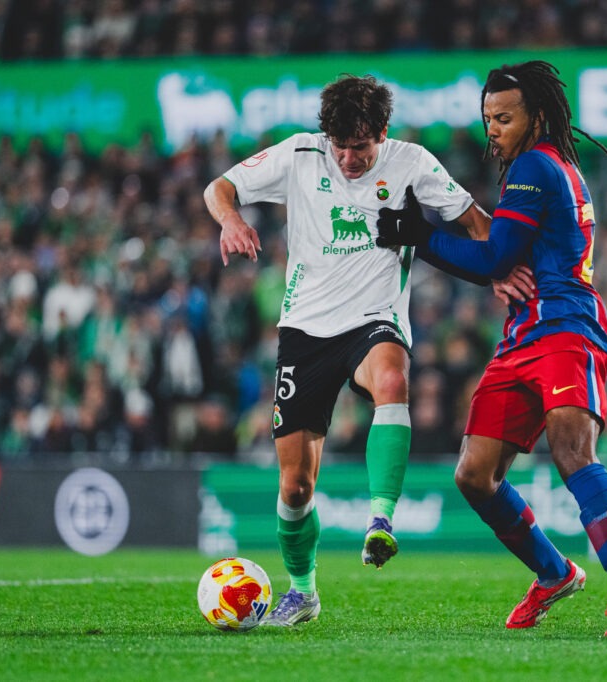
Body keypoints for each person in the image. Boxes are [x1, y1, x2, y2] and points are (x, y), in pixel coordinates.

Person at [205, 74, 522, 627]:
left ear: (382, 132)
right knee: (295, 487)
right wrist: (231, 218)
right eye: (340, 147)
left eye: (360, 147)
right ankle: (303, 592)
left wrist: (503, 267)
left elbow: (477, 225)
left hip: (375, 319)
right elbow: (219, 188)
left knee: (393, 380)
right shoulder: (301, 153)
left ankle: (381, 520)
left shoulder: (412, 163)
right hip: (304, 331)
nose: (349, 159)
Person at [377, 61, 607, 637]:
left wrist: (417, 235)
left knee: (573, 452)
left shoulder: (536, 165)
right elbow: (504, 256)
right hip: (523, 335)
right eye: (488, 118)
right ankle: (554, 573)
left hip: (565, 327)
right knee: (474, 474)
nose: (493, 129)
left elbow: (496, 258)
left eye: (504, 118)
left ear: (536, 117)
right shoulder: (551, 167)